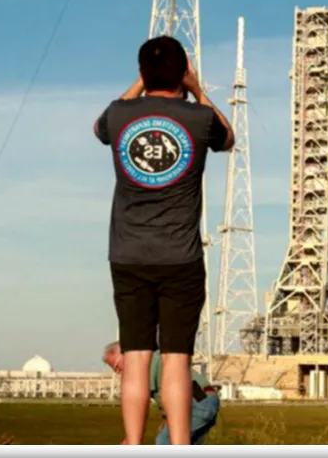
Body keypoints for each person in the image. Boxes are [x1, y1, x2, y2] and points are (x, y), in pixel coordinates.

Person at [93, 35, 234, 445]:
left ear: (143, 71)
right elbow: (228, 139)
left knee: (136, 361)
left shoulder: (120, 115)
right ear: (183, 70)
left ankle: (133, 443)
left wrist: (137, 86)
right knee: (176, 360)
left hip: (127, 255)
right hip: (181, 258)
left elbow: (99, 127)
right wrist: (198, 90)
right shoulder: (198, 119)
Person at [103, 341, 221, 445]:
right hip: (204, 399)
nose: (118, 372)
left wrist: (131, 439)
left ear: (125, 354)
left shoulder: (145, 363)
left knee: (164, 441)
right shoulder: (156, 359)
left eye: (116, 366)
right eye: (114, 369)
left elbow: (139, 404)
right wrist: (167, 419)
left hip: (198, 402)